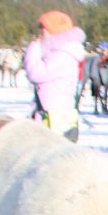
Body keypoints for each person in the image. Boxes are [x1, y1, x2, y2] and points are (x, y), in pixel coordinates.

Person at [24, 11, 86, 143]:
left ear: (53, 31)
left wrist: (34, 48)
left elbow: (36, 73)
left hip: (55, 117)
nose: (40, 33)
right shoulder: (61, 51)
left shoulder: (62, 54)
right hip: (56, 114)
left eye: (43, 29)